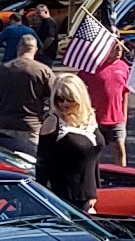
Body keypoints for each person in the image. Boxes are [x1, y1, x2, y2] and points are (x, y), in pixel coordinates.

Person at [35, 74, 102, 212]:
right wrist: (42, 197)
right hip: (63, 198)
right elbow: (42, 163)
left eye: (70, 99)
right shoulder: (53, 121)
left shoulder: (89, 117)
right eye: (60, 98)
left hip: (88, 197)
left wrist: (94, 192)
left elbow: (93, 158)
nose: (64, 104)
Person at [0, 33, 55, 157]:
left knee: (6, 166)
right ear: (35, 50)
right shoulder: (43, 71)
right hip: (31, 128)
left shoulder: (1, 69)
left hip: (3, 126)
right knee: (31, 167)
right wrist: (48, 117)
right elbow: (56, 97)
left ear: (18, 48)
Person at [84, 41, 132, 167]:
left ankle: (122, 177)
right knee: (92, 153)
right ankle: (94, 178)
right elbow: (79, 87)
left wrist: (124, 116)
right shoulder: (92, 68)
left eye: (121, 48)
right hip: (95, 118)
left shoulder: (124, 67)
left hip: (116, 118)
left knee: (119, 150)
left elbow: (125, 93)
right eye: (116, 48)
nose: (119, 51)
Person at [28, 1, 63, 65]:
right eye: (36, 13)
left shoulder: (49, 23)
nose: (37, 15)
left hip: (47, 54)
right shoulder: (43, 22)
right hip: (42, 54)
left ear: (46, 12)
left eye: (39, 13)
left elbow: (50, 38)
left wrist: (42, 49)